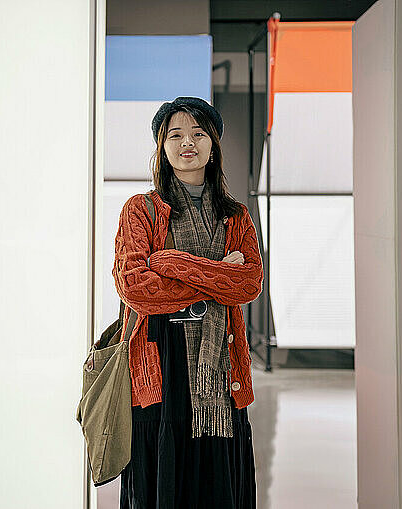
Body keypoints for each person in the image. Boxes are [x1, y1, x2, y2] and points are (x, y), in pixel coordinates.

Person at [112, 96, 264, 509]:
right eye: (175, 134)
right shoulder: (140, 210)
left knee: (218, 486)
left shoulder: (235, 216)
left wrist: (173, 263)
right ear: (161, 147)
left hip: (220, 367)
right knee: (162, 484)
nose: (187, 143)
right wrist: (217, 274)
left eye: (198, 133)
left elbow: (249, 283)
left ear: (213, 145)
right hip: (161, 365)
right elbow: (135, 287)